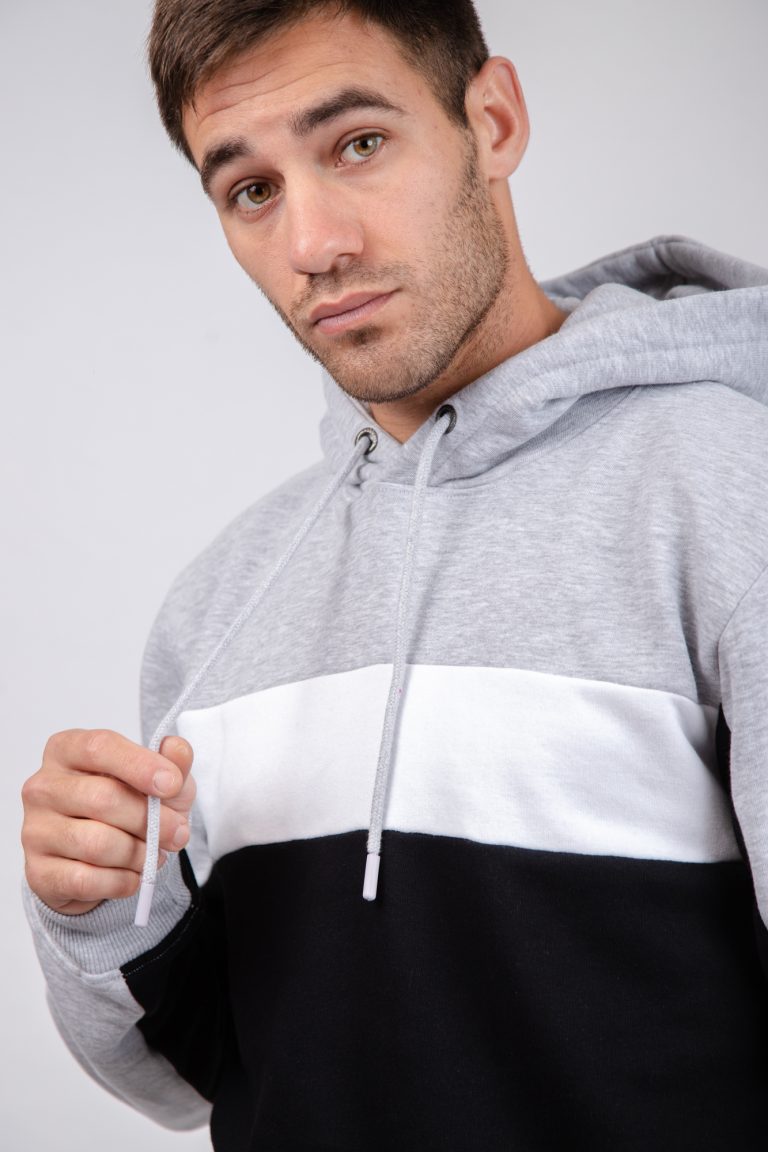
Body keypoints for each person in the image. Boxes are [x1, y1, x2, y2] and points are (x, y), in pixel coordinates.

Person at [20, 0, 768, 1148]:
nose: (314, 244)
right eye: (251, 189)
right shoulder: (219, 601)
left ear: (493, 120)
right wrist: (94, 911)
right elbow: (189, 1080)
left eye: (358, 143)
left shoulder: (729, 491)